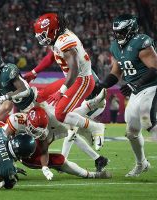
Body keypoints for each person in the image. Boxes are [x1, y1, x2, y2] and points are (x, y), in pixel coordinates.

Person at [98, 14, 157, 176]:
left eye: (121, 31)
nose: (118, 35)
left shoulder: (141, 42)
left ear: (131, 30)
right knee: (131, 132)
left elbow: (156, 69)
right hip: (137, 91)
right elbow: (115, 73)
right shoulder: (116, 47)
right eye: (116, 32)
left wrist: (134, 84)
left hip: (153, 87)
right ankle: (141, 163)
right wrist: (102, 84)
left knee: (147, 120)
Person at [28, 13, 105, 150]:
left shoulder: (65, 41)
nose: (42, 38)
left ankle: (95, 127)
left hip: (82, 80)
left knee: (60, 114)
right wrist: (34, 72)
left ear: (53, 30)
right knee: (39, 96)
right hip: (72, 78)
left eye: (43, 34)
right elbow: (52, 57)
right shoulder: (58, 38)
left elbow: (74, 70)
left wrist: (61, 91)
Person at [4, 106, 111, 180]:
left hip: (31, 155)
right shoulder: (16, 121)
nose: (38, 133)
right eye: (35, 129)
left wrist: (45, 167)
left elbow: (44, 151)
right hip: (13, 150)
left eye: (40, 130)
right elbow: (2, 141)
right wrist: (9, 166)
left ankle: (92, 175)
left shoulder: (42, 131)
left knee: (61, 160)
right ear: (28, 121)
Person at [0, 50, 37, 115]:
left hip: (35, 102)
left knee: (12, 121)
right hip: (23, 109)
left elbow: (25, 91)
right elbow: (4, 89)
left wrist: (5, 97)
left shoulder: (7, 71)